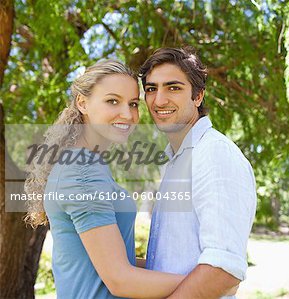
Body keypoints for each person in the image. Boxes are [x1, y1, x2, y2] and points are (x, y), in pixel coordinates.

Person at [24, 59, 186, 299]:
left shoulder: (87, 164)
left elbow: (116, 263)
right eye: (112, 101)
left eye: (133, 104)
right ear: (82, 103)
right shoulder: (82, 171)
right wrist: (208, 283)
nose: (128, 114)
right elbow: (120, 280)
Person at [139, 47, 257, 298]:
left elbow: (223, 269)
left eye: (173, 87)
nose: (159, 100)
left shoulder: (214, 154)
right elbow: (169, 262)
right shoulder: (176, 160)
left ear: (198, 96)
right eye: (151, 89)